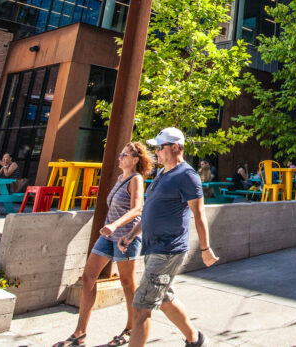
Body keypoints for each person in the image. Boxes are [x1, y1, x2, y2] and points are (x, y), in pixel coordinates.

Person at [118, 127, 218, 347]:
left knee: (141, 307)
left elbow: (199, 214)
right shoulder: (161, 174)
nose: (156, 152)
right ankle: (196, 339)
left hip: (168, 249)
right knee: (164, 298)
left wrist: (205, 248)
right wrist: (132, 234)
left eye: (159, 147)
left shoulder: (188, 176)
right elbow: (151, 210)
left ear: (175, 147)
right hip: (152, 246)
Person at [54, 142, 152, 347]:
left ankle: (131, 327)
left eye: (124, 155)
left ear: (135, 160)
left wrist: (115, 225)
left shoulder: (136, 179)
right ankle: (80, 333)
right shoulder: (120, 178)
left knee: (127, 282)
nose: (119, 158)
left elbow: (137, 209)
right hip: (108, 236)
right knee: (88, 276)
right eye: (120, 154)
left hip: (126, 236)